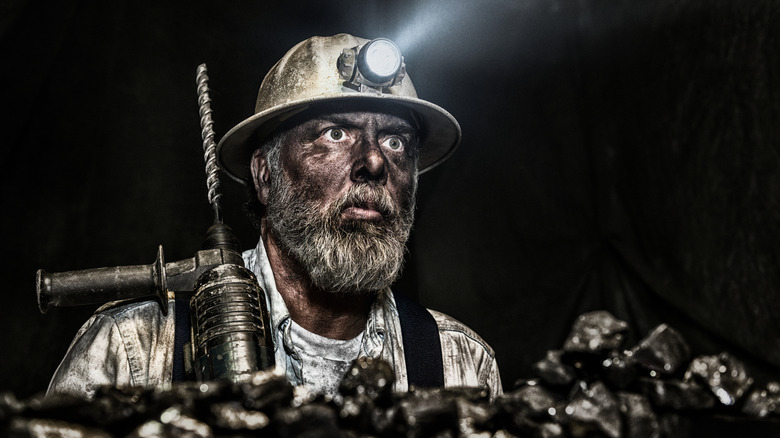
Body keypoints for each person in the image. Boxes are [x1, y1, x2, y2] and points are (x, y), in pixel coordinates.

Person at [47, 34, 502, 400]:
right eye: (335, 133)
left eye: (395, 141)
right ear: (265, 175)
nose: (374, 161)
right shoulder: (134, 350)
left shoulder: (459, 365)